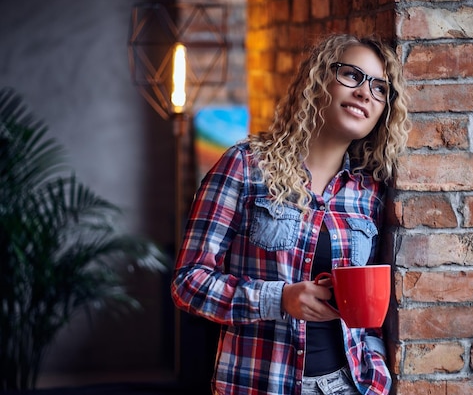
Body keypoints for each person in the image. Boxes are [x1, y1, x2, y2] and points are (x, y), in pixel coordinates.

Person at [171, 33, 409, 395]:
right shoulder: (246, 166)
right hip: (259, 383)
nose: (365, 92)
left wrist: (377, 376)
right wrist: (279, 298)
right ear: (317, 81)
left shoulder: (368, 193)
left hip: (347, 386)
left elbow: (369, 315)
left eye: (380, 88)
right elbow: (188, 282)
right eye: (352, 75)